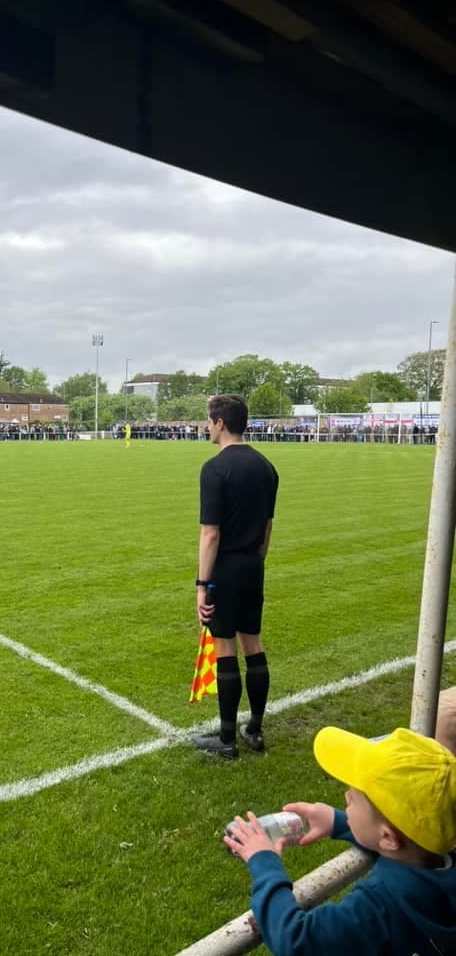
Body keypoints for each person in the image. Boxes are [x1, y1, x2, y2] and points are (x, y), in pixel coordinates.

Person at [224, 726, 456, 956]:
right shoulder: (440, 862)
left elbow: (297, 940)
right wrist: (339, 822)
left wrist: (265, 864)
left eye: (353, 798)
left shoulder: (379, 907)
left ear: (387, 837)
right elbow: (404, 851)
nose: (346, 796)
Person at [192, 394, 279, 759]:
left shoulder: (215, 469)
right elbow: (267, 527)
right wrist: (255, 559)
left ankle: (227, 739)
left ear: (221, 423)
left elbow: (210, 533)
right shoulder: (267, 467)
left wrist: (201, 585)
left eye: (209, 422)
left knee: (225, 646)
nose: (207, 428)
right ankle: (254, 729)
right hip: (253, 565)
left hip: (225, 569)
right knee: (253, 644)